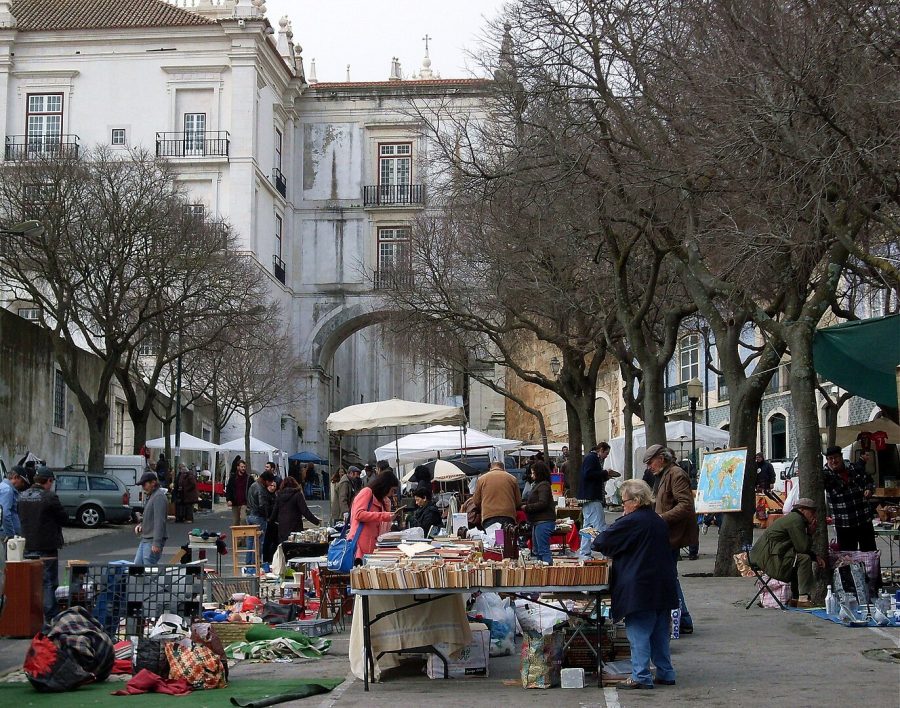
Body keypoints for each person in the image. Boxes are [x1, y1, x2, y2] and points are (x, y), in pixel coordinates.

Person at [593, 479, 678, 689]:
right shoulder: (657, 520)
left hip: (640, 585)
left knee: (638, 633)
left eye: (625, 501)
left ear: (636, 501)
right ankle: (666, 672)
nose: (623, 505)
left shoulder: (632, 520)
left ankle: (640, 676)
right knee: (659, 634)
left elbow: (602, 541)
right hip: (663, 584)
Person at [645, 443, 699, 635]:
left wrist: (660, 518)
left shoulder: (676, 474)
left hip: (672, 534)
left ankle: (683, 619)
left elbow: (685, 505)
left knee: (669, 577)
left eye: (651, 462)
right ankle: (682, 619)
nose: (649, 466)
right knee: (669, 576)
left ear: (662, 458)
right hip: (665, 533)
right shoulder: (663, 475)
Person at [750, 497, 825, 607]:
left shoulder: (794, 518)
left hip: (768, 554)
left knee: (797, 559)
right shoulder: (796, 520)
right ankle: (803, 597)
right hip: (769, 558)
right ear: (802, 510)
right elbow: (802, 547)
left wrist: (815, 556)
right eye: (812, 512)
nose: (814, 516)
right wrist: (810, 533)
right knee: (804, 559)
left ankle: (795, 597)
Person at [18, 468, 67, 621]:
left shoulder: (22, 496)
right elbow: (63, 518)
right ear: (48, 481)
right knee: (48, 582)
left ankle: (31, 616)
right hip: (47, 545)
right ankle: (50, 616)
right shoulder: (50, 497)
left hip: (26, 544)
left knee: (30, 582)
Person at [823, 444, 876, 551]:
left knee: (871, 555)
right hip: (844, 524)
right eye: (830, 459)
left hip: (864, 520)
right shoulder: (826, 475)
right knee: (846, 558)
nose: (833, 461)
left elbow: (870, 481)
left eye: (836, 457)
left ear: (841, 457)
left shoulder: (854, 468)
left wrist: (869, 489)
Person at [347, 469, 404, 560]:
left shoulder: (383, 501)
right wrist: (385, 515)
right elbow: (358, 514)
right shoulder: (367, 492)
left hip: (373, 547)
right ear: (386, 486)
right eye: (392, 490)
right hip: (359, 546)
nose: (392, 494)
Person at [578, 442, 620, 558]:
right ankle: (605, 552)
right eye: (606, 453)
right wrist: (605, 473)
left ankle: (584, 552)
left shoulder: (590, 458)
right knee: (599, 526)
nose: (606, 456)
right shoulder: (592, 458)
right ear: (601, 449)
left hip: (588, 498)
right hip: (592, 498)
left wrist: (605, 476)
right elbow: (588, 474)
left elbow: (590, 476)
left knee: (588, 526)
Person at [520, 461, 555, 564]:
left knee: (543, 550)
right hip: (538, 522)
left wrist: (527, 507)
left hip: (543, 521)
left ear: (538, 473)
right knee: (538, 551)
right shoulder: (539, 485)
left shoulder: (543, 486)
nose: (531, 475)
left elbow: (542, 503)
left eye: (533, 473)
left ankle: (547, 570)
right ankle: (541, 571)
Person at [268, 477, 321, 544]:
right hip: (295, 526)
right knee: (295, 547)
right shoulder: (297, 495)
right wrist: (316, 521)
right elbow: (305, 511)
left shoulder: (279, 495)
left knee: (284, 547)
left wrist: (270, 522)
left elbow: (275, 511)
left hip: (282, 527)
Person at [471, 460, 522, 529]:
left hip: (489, 515)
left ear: (491, 468)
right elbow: (518, 501)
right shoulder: (512, 479)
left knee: (491, 538)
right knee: (507, 538)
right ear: (503, 468)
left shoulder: (481, 479)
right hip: (508, 515)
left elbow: (476, 501)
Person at [134, 472, 167, 565]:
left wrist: (156, 543)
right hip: (146, 538)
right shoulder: (152, 496)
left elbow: (159, 521)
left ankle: (151, 580)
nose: (143, 487)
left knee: (148, 568)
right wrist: (141, 525)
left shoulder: (159, 497)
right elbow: (149, 516)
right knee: (138, 565)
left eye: (144, 484)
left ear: (153, 483)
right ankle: (145, 579)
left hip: (152, 539)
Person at [0, 467, 28, 539]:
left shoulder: (5, 488)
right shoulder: (7, 490)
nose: (23, 484)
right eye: (22, 481)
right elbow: (5, 513)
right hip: (6, 535)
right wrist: (11, 535)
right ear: (16, 477)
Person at [247, 470, 277, 535]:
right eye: (270, 482)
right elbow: (262, 505)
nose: (270, 484)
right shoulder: (261, 489)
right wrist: (267, 516)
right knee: (260, 539)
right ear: (266, 481)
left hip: (249, 514)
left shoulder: (253, 485)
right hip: (258, 516)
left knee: (250, 538)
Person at [225, 459, 252, 527]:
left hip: (245, 503)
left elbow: (252, 490)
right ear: (238, 467)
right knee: (235, 522)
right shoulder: (233, 478)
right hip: (235, 503)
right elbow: (229, 489)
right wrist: (228, 499)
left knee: (243, 519)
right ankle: (237, 537)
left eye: (244, 467)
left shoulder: (249, 478)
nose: (243, 468)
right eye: (242, 467)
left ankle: (243, 537)